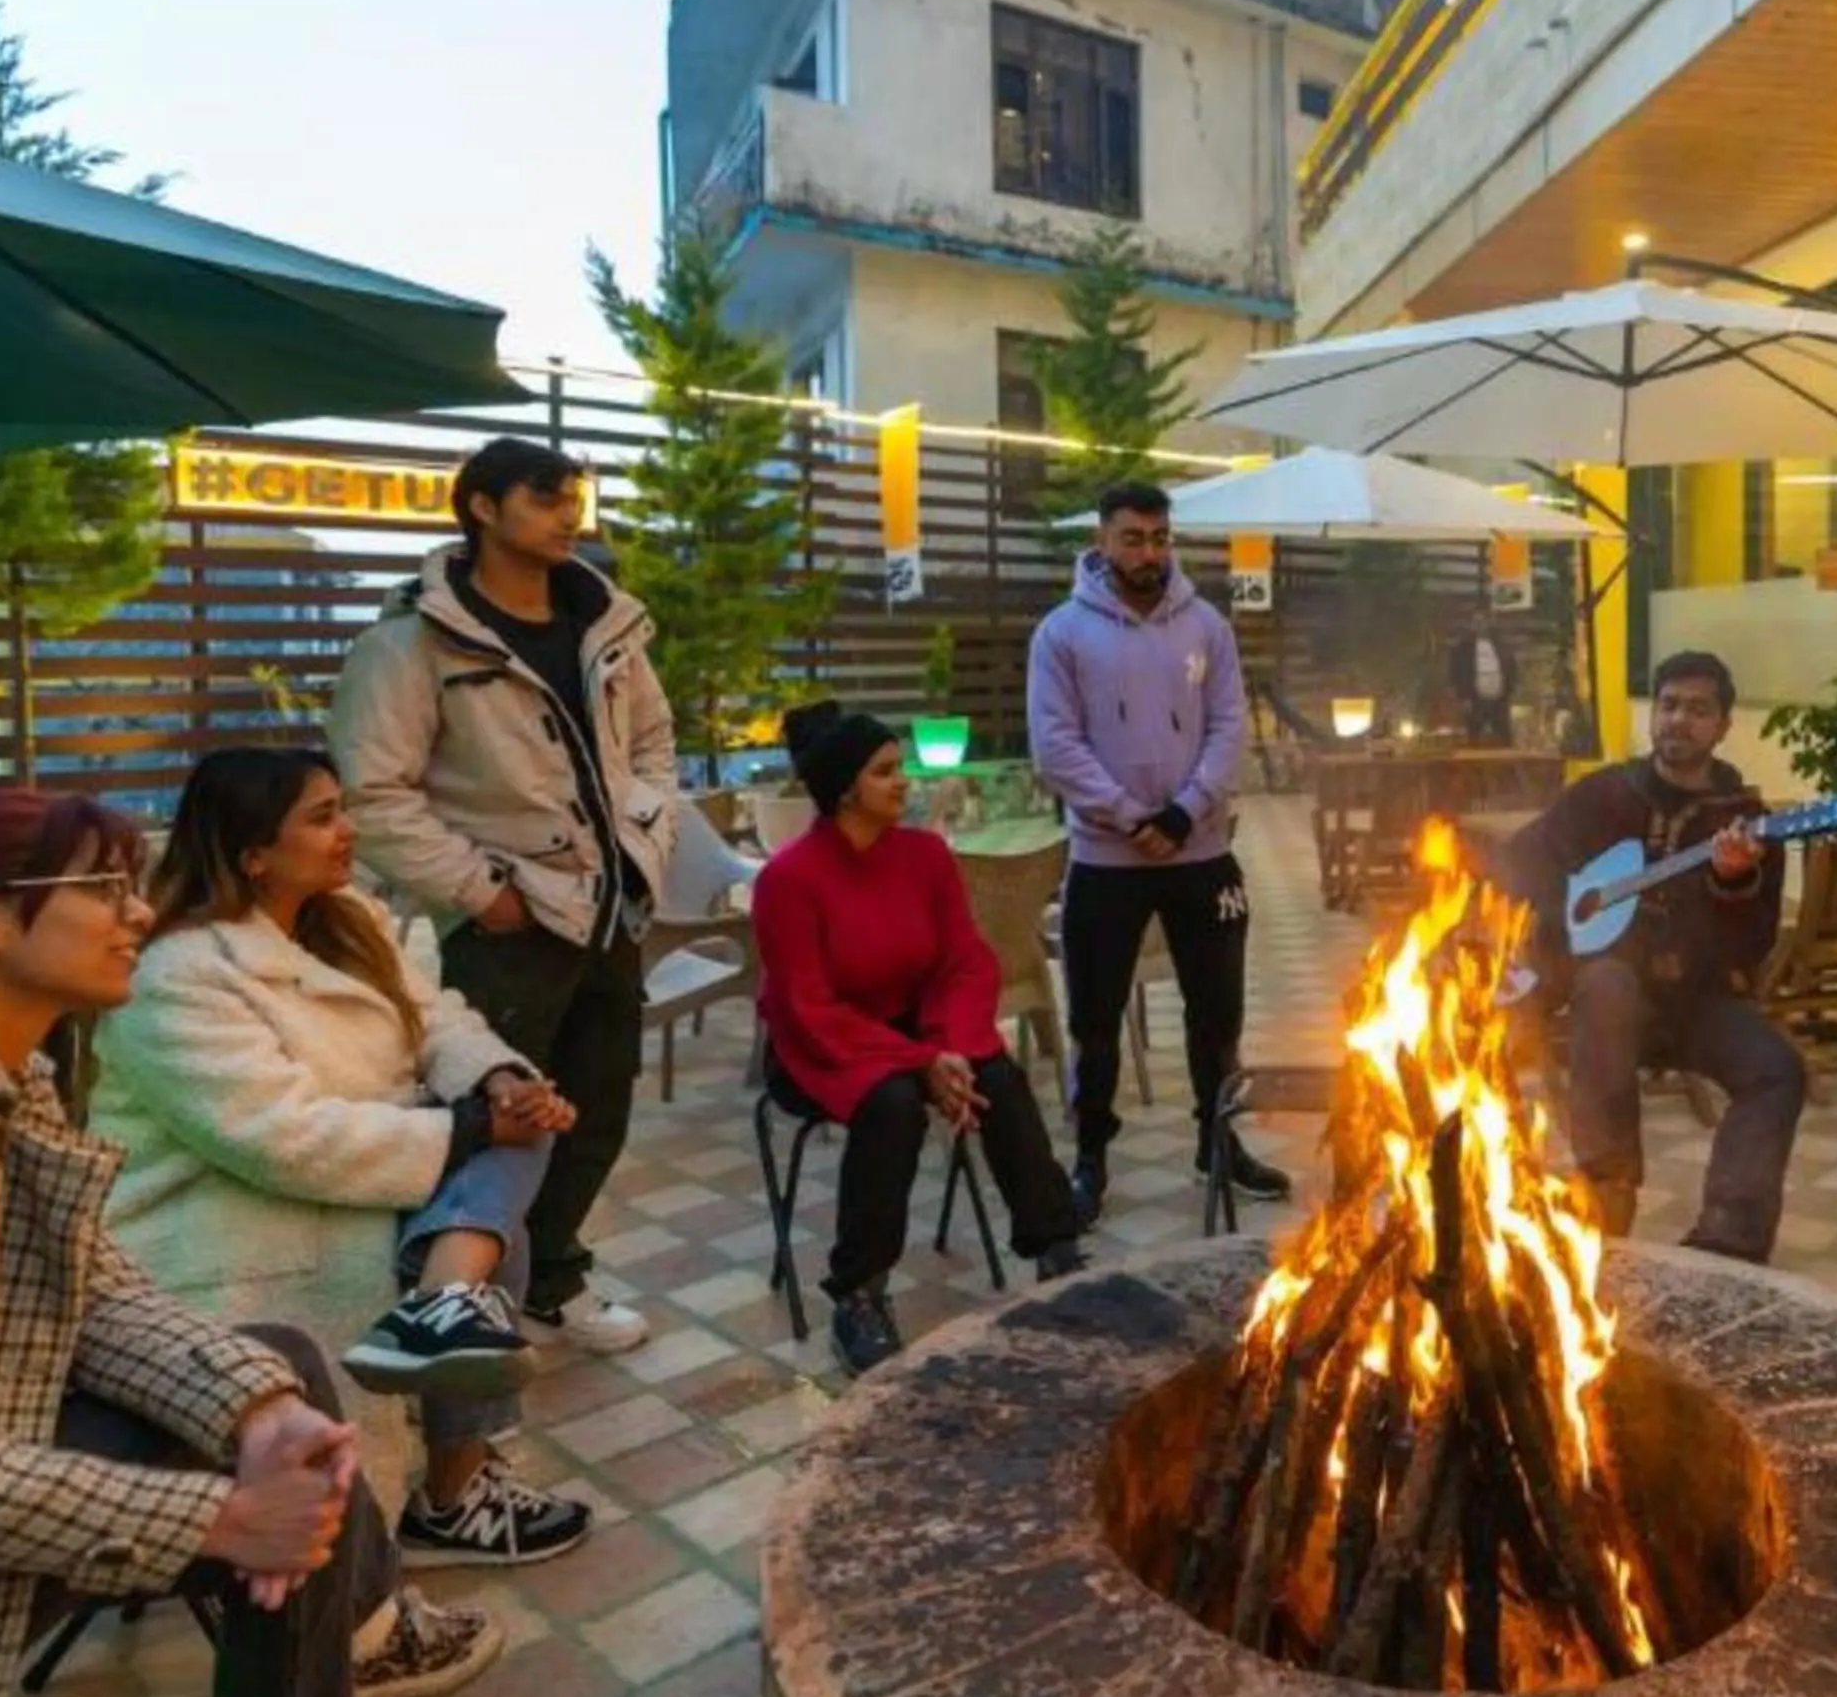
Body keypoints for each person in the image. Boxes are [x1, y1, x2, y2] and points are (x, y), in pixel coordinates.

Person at [0, 789, 502, 1697]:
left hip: (35, 1392)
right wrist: (229, 1517)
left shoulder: (7, 1077)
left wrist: (263, 1411)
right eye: (103, 889)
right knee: (291, 1482)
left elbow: (92, 1288)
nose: (136, 913)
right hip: (10, 1438)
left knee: (282, 1385)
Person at [92, 751, 596, 1569]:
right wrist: (468, 1132)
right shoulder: (177, 976)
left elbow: (434, 1018)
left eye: (343, 809)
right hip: (226, 1218)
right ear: (254, 852)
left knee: (523, 1131)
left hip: (350, 1166)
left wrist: (502, 1083)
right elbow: (279, 1139)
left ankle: (444, 1309)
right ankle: (450, 1472)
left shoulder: (345, 920)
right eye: (322, 817)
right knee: (493, 1221)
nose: (349, 831)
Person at [329, 435, 678, 1357]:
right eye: (543, 495)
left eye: (574, 494)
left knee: (598, 1112)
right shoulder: (412, 642)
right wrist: (482, 892)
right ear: (481, 507)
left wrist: (646, 842)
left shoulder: (609, 624)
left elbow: (653, 745)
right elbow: (374, 793)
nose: (568, 513)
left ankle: (550, 1278)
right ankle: (459, 1293)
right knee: (503, 1122)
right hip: (508, 922)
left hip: (609, 912)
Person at [753, 703, 1090, 1375]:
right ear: (845, 788)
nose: (903, 781)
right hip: (817, 1045)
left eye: (899, 767)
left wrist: (956, 1047)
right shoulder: (788, 881)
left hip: (919, 1028)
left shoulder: (925, 855)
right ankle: (859, 1294)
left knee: (997, 1077)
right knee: (893, 1104)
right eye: (885, 772)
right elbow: (808, 1008)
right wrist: (921, 1060)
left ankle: (1057, 1252)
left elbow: (965, 960)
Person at [1029, 479, 1283, 1226]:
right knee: (1096, 1021)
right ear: (1102, 541)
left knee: (1218, 1014)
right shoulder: (1061, 635)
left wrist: (1184, 810)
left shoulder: (1207, 626)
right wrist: (1130, 816)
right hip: (1106, 864)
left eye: (1160, 537)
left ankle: (1218, 1140)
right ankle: (1091, 1158)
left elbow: (1229, 727)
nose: (1148, 552)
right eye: (1133, 537)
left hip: (1201, 854)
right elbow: (1055, 745)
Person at [1498, 651, 1805, 1262]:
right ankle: (1607, 1194)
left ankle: (1729, 1238)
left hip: (1694, 1002)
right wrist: (1561, 924)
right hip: (1603, 1006)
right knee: (1609, 981)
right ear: (1652, 715)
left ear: (1722, 726)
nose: (1679, 721)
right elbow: (1521, 860)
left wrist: (1732, 882)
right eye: (1669, 705)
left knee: (1779, 1069)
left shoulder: (1744, 821)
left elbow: (1756, 943)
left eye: (1698, 710)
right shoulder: (1603, 794)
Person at [1445, 611, 1518, 748]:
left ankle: (1507, 764)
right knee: (1474, 735)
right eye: (1477, 622)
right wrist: (1462, 697)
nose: (1480, 625)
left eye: (1484, 621)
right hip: (1475, 699)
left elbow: (1511, 668)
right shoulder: (1462, 649)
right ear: (1472, 625)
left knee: (1504, 734)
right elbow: (1455, 674)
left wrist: (1510, 690)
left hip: (1499, 699)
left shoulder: (1501, 645)